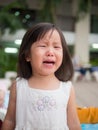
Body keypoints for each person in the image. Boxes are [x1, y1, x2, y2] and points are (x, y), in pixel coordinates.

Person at [1, 22, 81, 130]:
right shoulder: (19, 86)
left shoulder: (66, 89)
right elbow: (10, 120)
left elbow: (74, 124)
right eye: (43, 46)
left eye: (56, 46)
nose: (50, 52)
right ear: (28, 55)